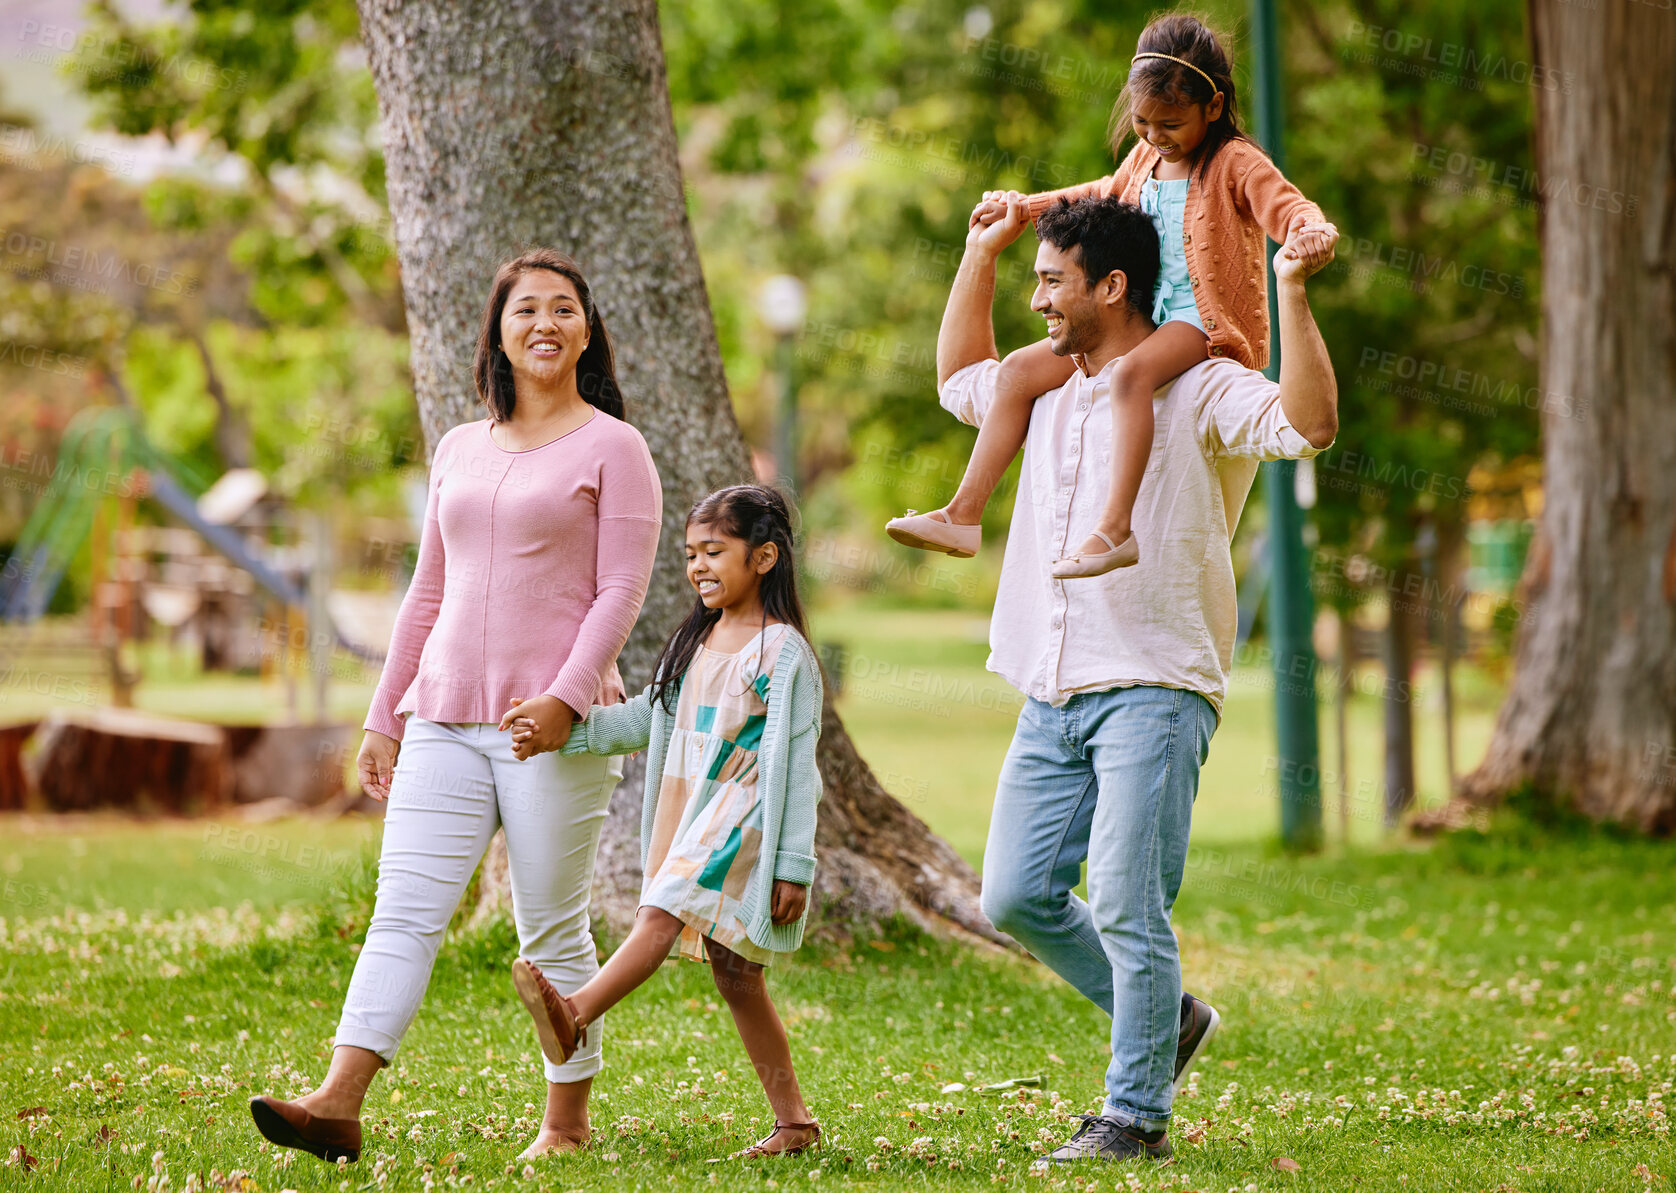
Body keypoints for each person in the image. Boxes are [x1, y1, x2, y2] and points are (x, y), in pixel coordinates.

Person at [936, 193, 1338, 1162]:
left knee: (1123, 898)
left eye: (1049, 281)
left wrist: (1287, 288)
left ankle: (1132, 1116)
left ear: (1109, 286)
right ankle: (1169, 1019)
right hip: (1050, 683)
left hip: (1152, 684)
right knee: (1013, 895)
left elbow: (1307, 423)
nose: (1036, 301)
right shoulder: (1037, 389)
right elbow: (955, 374)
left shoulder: (1194, 387)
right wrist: (978, 252)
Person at [249, 249, 663, 1164]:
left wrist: (564, 698)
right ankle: (338, 1100)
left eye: (564, 308)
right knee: (404, 907)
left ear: (587, 329)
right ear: (499, 333)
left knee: (550, 924)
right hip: (440, 714)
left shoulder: (614, 446)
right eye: (526, 310)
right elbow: (426, 591)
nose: (545, 323)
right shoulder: (459, 447)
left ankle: (566, 1123)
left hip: (553, 726)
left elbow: (621, 589)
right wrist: (383, 714)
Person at [887, 12, 1336, 579]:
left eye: (1169, 124)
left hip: (1201, 325)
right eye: (1143, 122)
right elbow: (1098, 193)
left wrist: (1308, 230)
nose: (1153, 136)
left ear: (1214, 107)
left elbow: (1287, 205)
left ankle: (1114, 530)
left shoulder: (1234, 163)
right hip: (1145, 317)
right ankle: (963, 513)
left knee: (1128, 377)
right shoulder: (1145, 159)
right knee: (1018, 373)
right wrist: (1024, 209)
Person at [505, 483, 825, 1159]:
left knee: (660, 908)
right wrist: (566, 730)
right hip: (694, 811)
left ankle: (576, 1011)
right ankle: (793, 1122)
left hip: (744, 815)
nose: (699, 566)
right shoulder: (698, 639)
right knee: (736, 975)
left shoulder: (784, 652)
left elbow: (799, 764)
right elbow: (647, 716)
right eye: (690, 554)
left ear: (764, 557)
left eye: (715, 551)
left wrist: (795, 863)